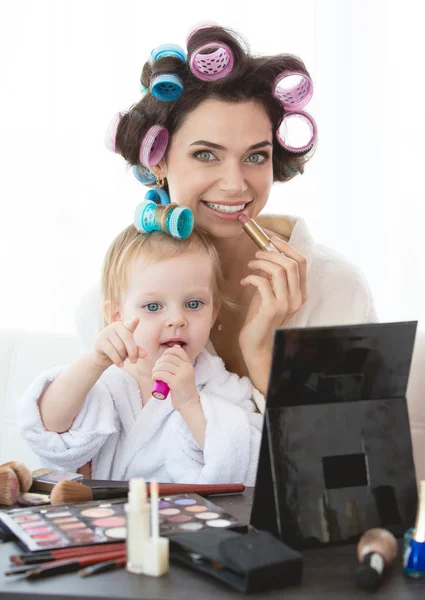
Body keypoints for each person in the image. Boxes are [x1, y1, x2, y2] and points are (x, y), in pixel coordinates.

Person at [78, 21, 377, 414]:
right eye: (206, 154)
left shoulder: (336, 289)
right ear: (160, 160)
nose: (236, 185)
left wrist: (261, 356)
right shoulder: (112, 306)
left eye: (256, 156)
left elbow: (350, 461)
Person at [18, 225, 262, 483]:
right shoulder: (103, 382)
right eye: (153, 306)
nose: (177, 319)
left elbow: (248, 463)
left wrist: (191, 404)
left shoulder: (222, 387)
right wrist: (94, 362)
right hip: (107, 517)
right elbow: (48, 431)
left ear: (213, 314)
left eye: (193, 304)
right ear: (117, 316)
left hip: (184, 518)